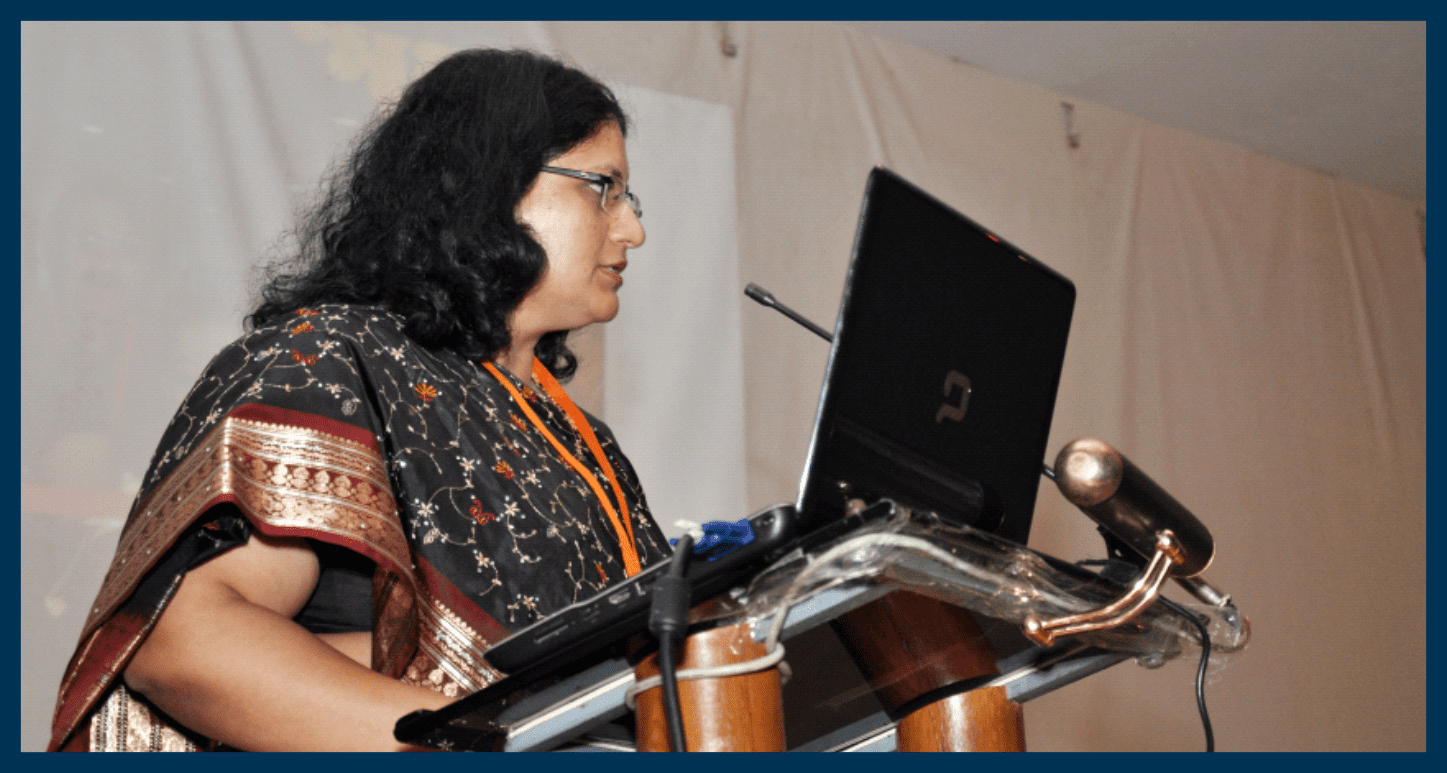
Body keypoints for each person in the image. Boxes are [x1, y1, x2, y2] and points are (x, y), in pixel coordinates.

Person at [49, 48, 672, 752]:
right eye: (603, 188)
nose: (632, 229)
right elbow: (187, 645)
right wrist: (489, 742)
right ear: (491, 183)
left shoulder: (579, 439)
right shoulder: (332, 361)